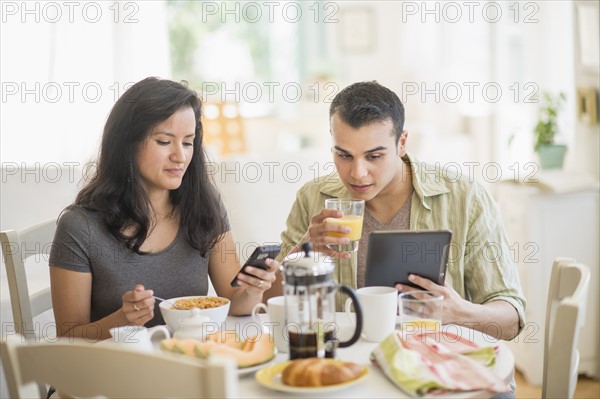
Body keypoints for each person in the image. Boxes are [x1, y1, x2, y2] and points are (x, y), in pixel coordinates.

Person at [265, 81, 525, 341]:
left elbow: (511, 321)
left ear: (402, 143)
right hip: (345, 363)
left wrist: (459, 313)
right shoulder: (313, 197)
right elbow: (269, 302)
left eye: (374, 156)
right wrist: (300, 254)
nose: (358, 173)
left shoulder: (466, 197)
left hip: (432, 364)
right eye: (344, 156)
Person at [50, 77, 277, 340]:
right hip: (110, 373)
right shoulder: (80, 226)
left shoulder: (204, 206)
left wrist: (252, 289)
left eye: (188, 142)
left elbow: (235, 303)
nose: (180, 156)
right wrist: (121, 321)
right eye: (164, 141)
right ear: (127, 143)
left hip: (184, 363)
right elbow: (68, 337)